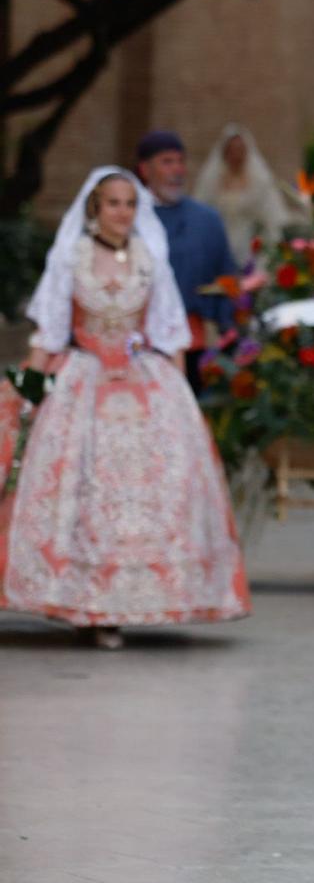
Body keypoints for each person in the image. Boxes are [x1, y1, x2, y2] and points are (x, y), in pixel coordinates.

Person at [0, 168, 250, 649]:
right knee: (84, 489)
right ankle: (87, 605)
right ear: (95, 208)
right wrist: (29, 396)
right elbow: (48, 331)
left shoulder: (149, 259)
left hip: (140, 377)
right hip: (82, 376)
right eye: (113, 203)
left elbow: (170, 330)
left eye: (131, 204)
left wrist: (180, 401)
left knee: (145, 487)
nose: (123, 212)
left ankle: (133, 600)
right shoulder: (72, 257)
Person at [134, 129, 234, 381]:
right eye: (167, 162)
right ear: (145, 170)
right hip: (137, 345)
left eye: (180, 161)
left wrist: (228, 333)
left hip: (194, 342)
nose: (177, 170)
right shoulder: (129, 219)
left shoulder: (206, 219)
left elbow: (227, 277)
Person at [193, 125, 307, 266]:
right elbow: (200, 210)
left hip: (250, 247)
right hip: (219, 244)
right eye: (231, 150)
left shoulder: (259, 180)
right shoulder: (212, 180)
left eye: (240, 150)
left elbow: (273, 214)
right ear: (225, 152)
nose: (236, 154)